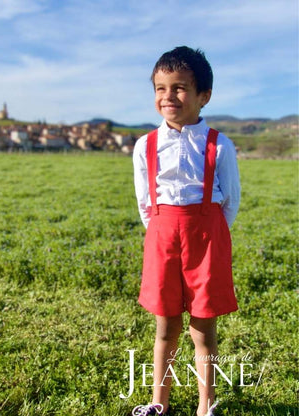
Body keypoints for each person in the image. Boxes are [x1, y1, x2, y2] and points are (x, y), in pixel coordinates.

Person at [132, 46, 240, 416]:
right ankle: (158, 404)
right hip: (162, 238)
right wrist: (167, 229)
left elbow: (231, 202)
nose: (168, 96)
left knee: (202, 332)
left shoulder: (220, 145)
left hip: (206, 240)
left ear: (203, 96)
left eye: (179, 88)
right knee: (166, 327)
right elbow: (145, 202)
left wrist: (202, 232)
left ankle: (204, 407)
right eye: (161, 88)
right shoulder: (144, 145)